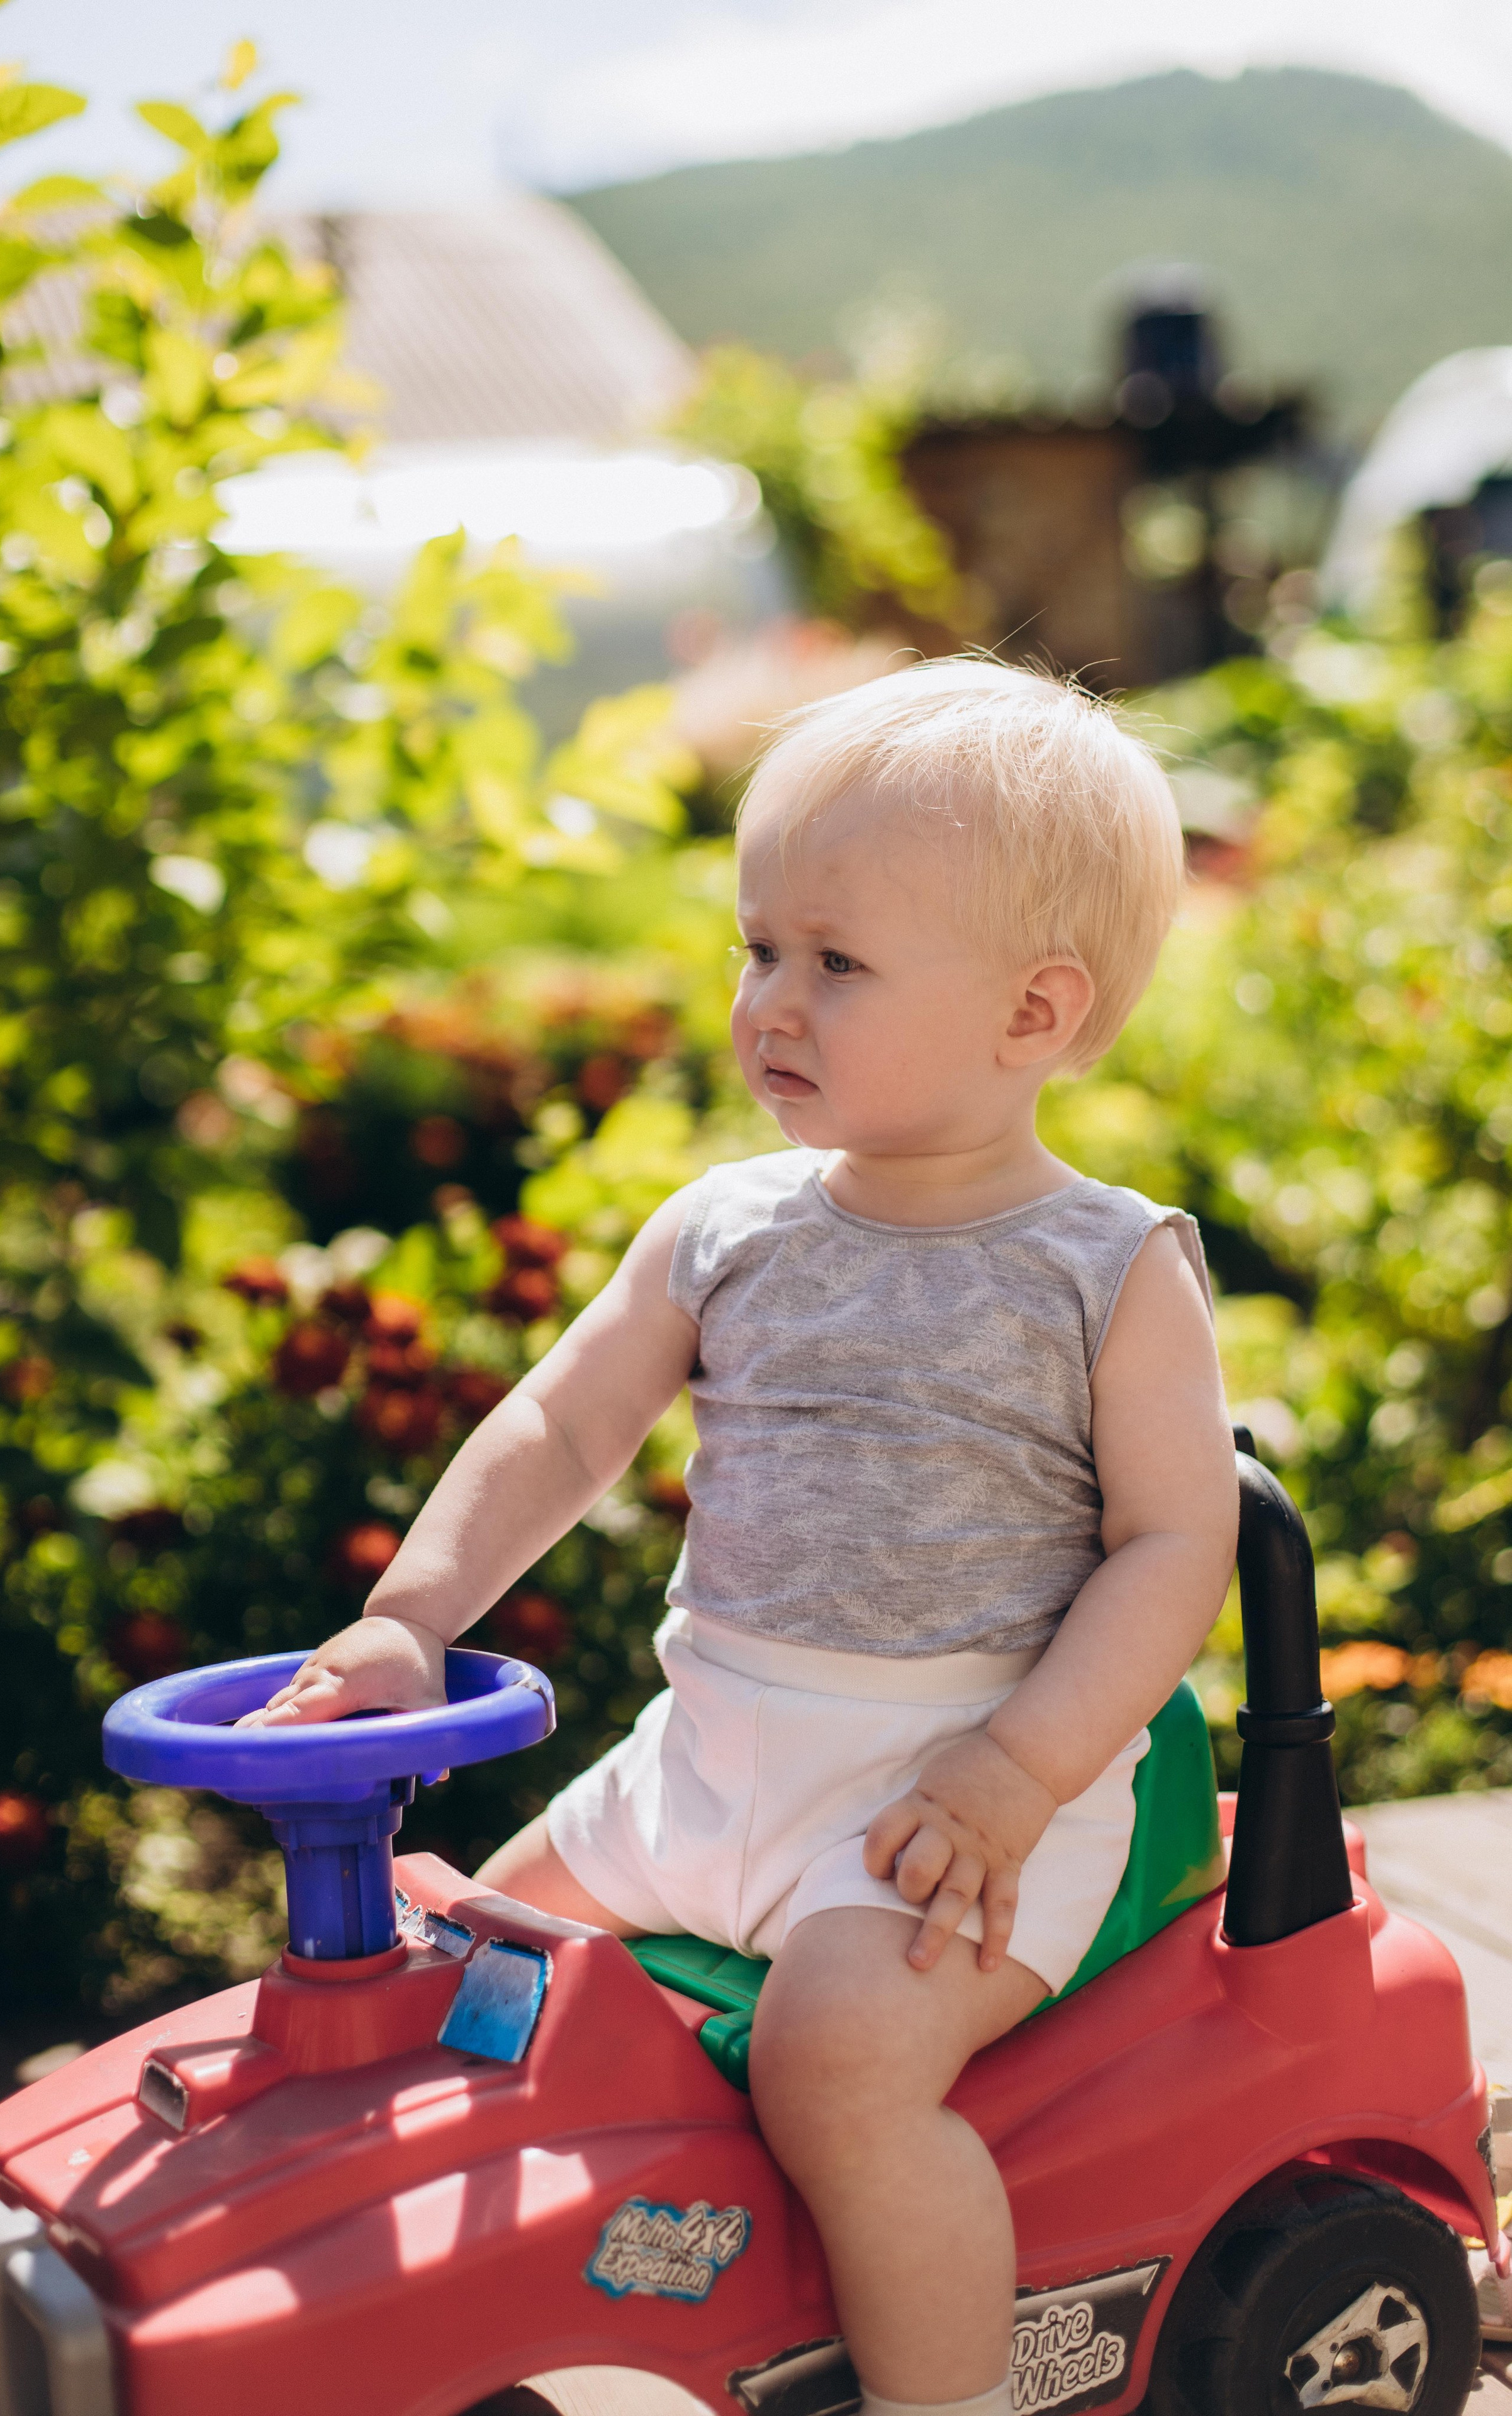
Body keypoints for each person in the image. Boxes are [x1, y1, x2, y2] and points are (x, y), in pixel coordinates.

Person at [242, 658, 1239, 2416]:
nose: (769, 999)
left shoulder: (1107, 1267)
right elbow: (562, 1425)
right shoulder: (728, 1228)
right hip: (704, 1767)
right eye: (756, 946)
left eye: (835, 962)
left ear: (1034, 1011)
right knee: (459, 1961)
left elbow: (1178, 1545)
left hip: (958, 1804)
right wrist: (410, 1619)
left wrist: (1018, 1772)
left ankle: (942, 2397)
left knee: (839, 2064)